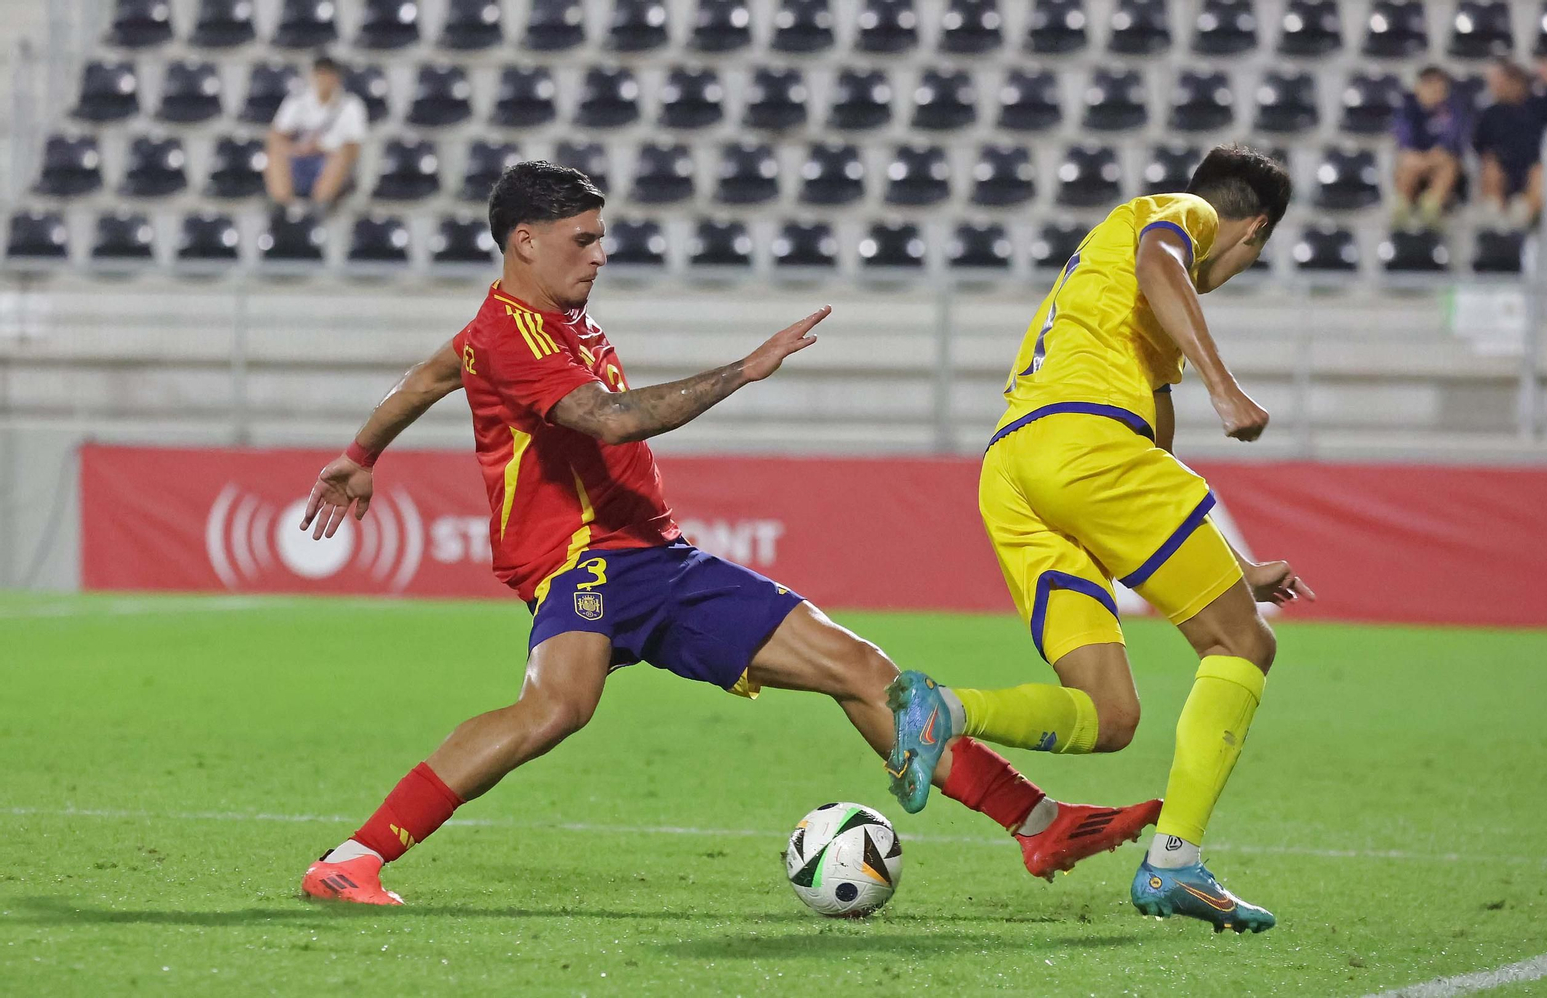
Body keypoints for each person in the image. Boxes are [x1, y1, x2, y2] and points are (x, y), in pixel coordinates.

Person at [296, 162, 1159, 906]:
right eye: (583, 238)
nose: (601, 253)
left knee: (858, 668)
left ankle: (1041, 826)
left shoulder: (540, 326)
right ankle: (354, 858)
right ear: (525, 240)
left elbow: (434, 372)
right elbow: (609, 420)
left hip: (653, 558)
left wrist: (361, 452)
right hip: (588, 560)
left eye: (602, 238)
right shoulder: (511, 333)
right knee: (554, 709)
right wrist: (746, 369)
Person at [884, 145, 1314, 934]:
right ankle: (1175, 864)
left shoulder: (1121, 310)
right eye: (1253, 253)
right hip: (1085, 447)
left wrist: (1233, 565)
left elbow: (1155, 438)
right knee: (1243, 648)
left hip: (1014, 467)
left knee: (1110, 715)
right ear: (1251, 230)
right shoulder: (1179, 217)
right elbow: (1164, 262)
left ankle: (945, 709)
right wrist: (1227, 385)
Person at [265, 55, 367, 210]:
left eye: (328, 74)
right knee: (274, 151)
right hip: (299, 160)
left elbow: (354, 147)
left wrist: (322, 147)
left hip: (329, 162)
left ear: (337, 78)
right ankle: (283, 207)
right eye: (320, 74)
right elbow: (277, 135)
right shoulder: (297, 101)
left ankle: (320, 207)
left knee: (342, 157)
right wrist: (297, 149)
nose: (324, 79)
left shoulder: (350, 105)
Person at [1392, 66, 1468, 229]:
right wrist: (1421, 160)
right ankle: (1402, 206)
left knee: (1449, 165)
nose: (1436, 90)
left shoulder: (1453, 108)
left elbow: (1451, 143)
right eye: (1430, 85)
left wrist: (1430, 159)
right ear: (1419, 86)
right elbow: (1404, 143)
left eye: (1440, 86)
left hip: (1439, 164)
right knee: (1406, 165)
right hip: (1415, 163)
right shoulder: (1407, 107)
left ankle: (1432, 206)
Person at [1473, 59, 1546, 225]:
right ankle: (1494, 210)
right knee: (1490, 166)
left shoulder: (1535, 110)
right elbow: (1479, 146)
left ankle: (1524, 211)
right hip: (1501, 166)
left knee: (1539, 172)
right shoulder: (1490, 114)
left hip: (1529, 165)